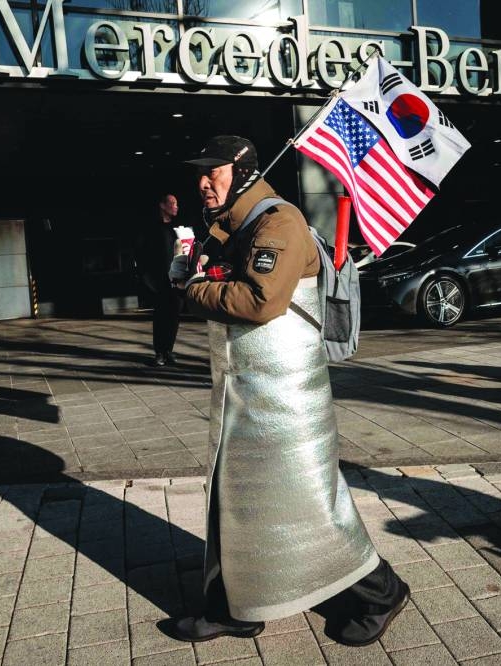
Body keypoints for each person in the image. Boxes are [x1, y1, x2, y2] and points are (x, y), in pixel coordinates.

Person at [165, 135, 409, 646]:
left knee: (310, 505)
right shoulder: (231, 225)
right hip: (247, 391)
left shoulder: (279, 223)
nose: (203, 181)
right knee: (239, 502)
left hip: (285, 399)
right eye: (200, 172)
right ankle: (239, 608)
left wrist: (194, 290)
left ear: (245, 172)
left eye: (215, 171)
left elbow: (260, 300)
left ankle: (381, 591)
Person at [135, 192, 183, 366]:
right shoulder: (151, 227)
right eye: (173, 203)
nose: (176, 206)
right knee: (161, 316)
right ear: (162, 206)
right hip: (159, 280)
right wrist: (147, 279)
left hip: (177, 279)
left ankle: (169, 350)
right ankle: (159, 352)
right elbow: (141, 253)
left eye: (177, 203)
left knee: (174, 315)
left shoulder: (180, 228)